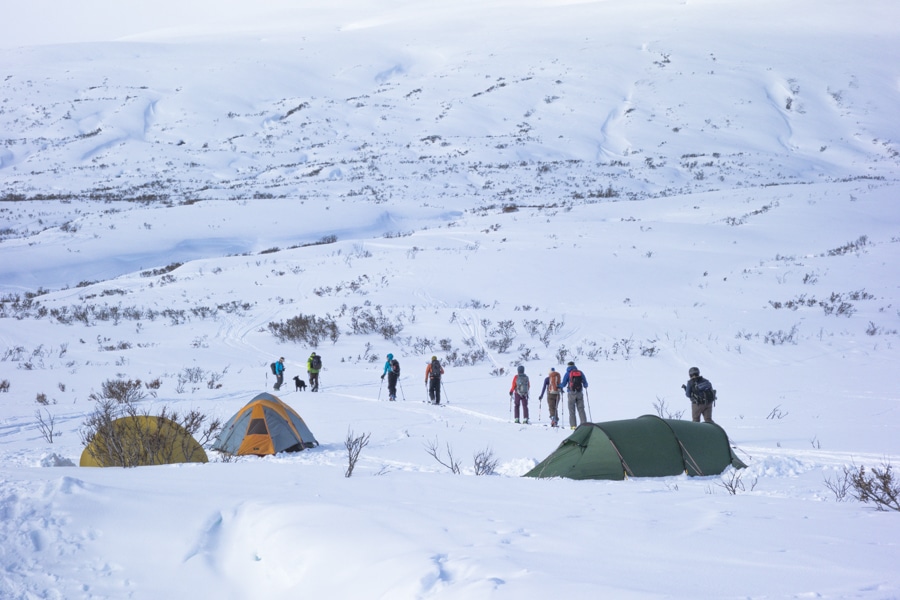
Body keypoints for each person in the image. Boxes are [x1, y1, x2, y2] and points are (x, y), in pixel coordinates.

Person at [559, 361, 588, 429]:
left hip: (571, 393)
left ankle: (573, 426)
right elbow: (585, 383)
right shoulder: (580, 372)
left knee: (572, 410)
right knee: (581, 409)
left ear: (568, 366)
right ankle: (584, 424)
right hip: (579, 392)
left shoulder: (567, 373)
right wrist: (585, 386)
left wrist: (559, 385)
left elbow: (563, 384)